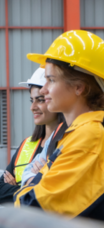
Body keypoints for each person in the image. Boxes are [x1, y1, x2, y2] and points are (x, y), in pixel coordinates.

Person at [14, 30, 104, 225]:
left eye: (51, 80)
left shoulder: (89, 138)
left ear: (79, 87)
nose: (44, 89)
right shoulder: (75, 135)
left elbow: (34, 207)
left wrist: (28, 187)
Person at [0, 68, 63, 204]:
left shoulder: (67, 143)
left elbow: (56, 196)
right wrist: (28, 190)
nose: (32, 107)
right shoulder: (26, 144)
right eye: (31, 100)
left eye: (40, 100)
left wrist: (17, 189)